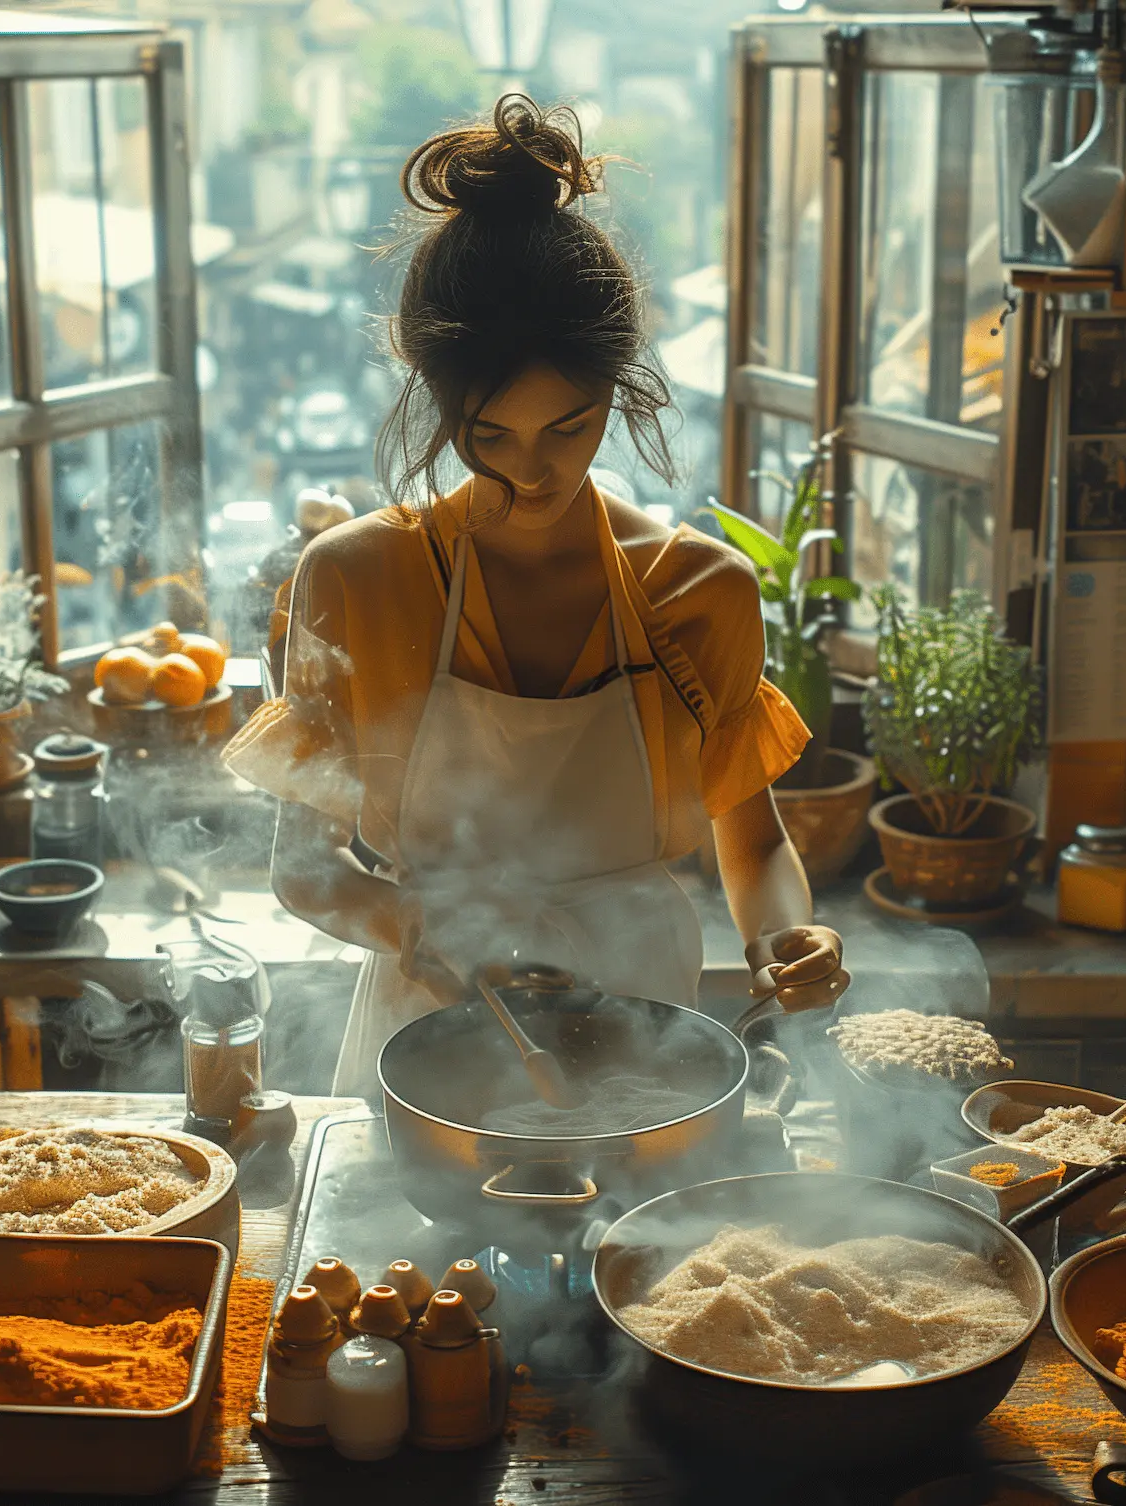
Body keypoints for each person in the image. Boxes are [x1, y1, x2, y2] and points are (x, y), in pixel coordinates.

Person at [223, 97, 849, 1095]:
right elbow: (304, 869)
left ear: (617, 390)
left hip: (649, 1028)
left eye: (567, 428)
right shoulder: (350, 580)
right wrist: (423, 929)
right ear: (436, 400)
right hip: (431, 1030)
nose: (531, 474)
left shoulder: (698, 591)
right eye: (490, 434)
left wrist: (787, 938)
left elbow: (755, 838)